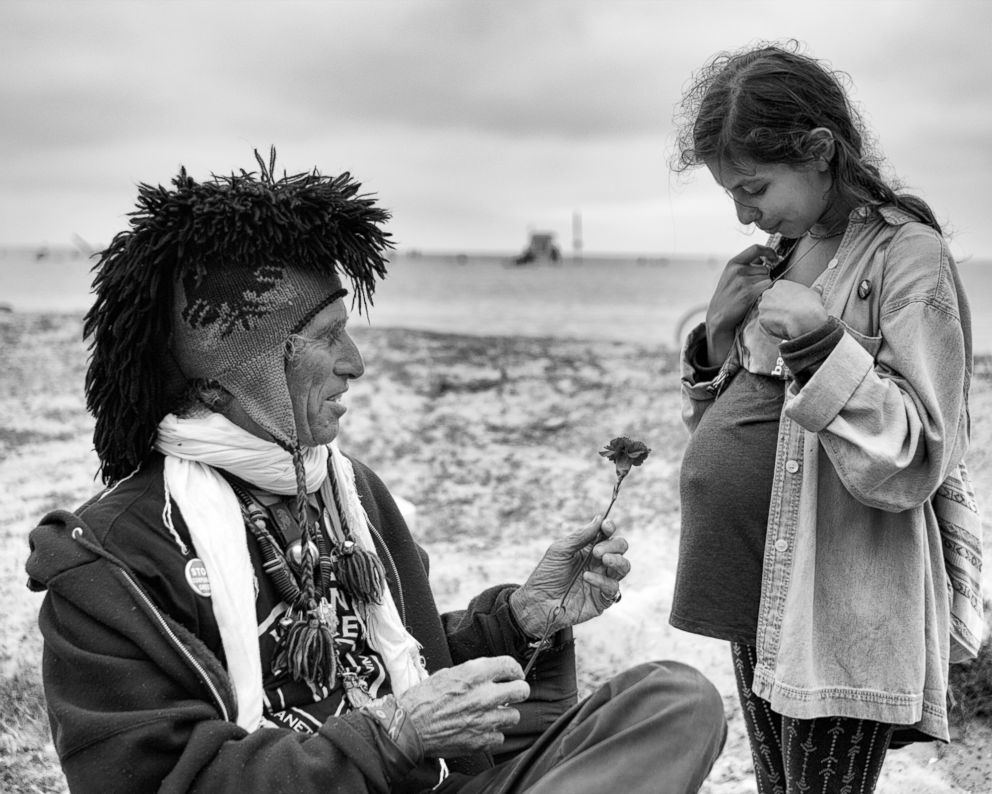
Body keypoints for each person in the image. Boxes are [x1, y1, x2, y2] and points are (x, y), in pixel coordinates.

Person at [26, 150, 726, 794]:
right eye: (326, 339)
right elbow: (162, 781)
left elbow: (398, 664)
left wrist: (518, 621)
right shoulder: (111, 563)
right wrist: (393, 734)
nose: (356, 362)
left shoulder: (349, 492)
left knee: (672, 699)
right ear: (228, 379)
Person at [667, 42, 982, 794]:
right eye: (731, 196)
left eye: (755, 187)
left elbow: (919, 452)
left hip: (842, 604)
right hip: (756, 581)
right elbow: (732, 423)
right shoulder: (785, 252)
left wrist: (820, 341)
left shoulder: (908, 257)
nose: (745, 213)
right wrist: (716, 337)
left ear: (817, 150)